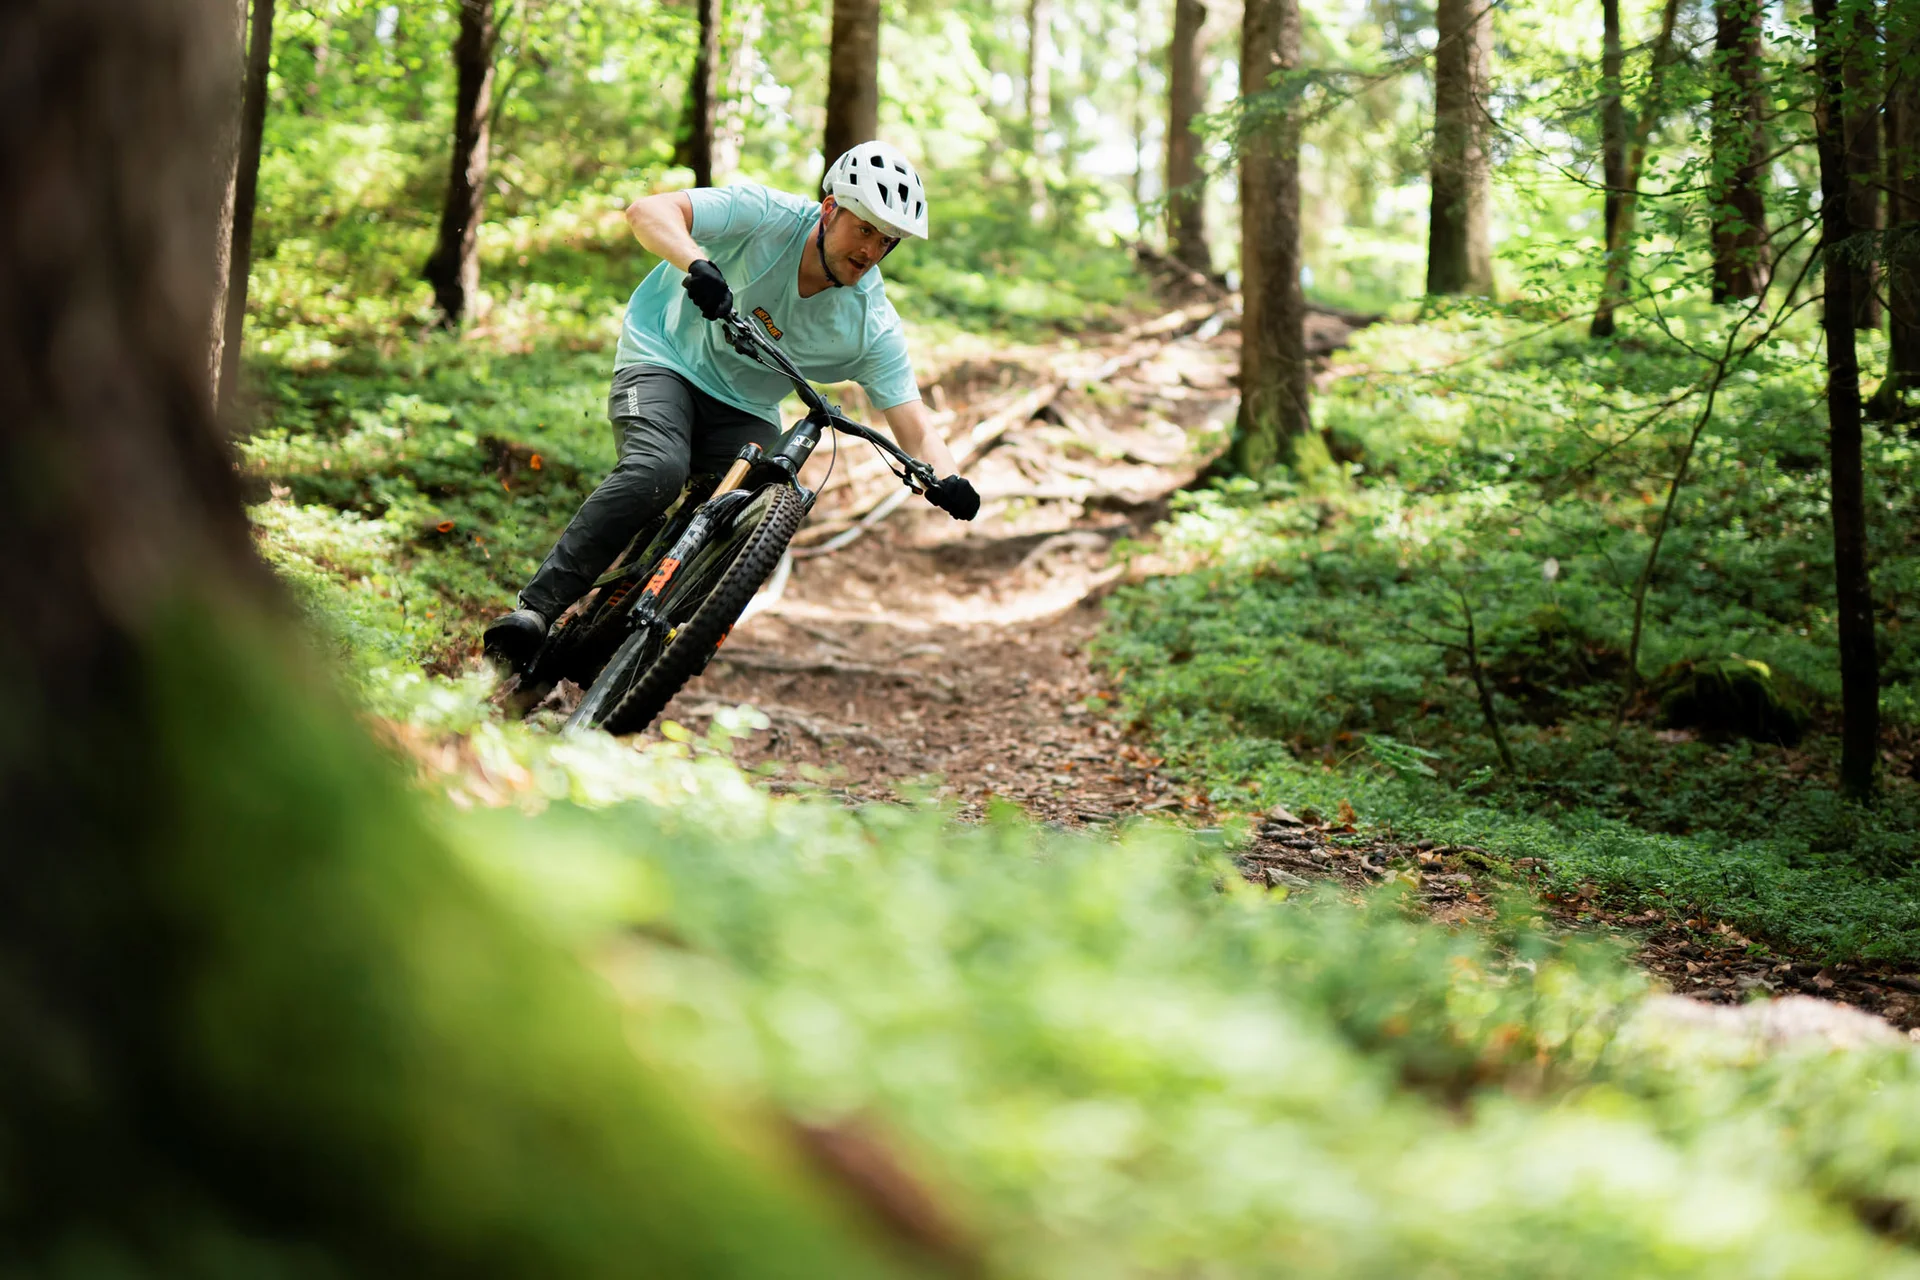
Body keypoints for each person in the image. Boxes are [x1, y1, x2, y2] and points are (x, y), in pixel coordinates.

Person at [483, 140, 979, 672]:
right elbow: (649, 211)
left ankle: (651, 647)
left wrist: (948, 479)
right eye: (864, 230)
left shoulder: (870, 324)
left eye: (886, 241)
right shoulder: (767, 216)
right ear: (830, 209)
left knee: (756, 512)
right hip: (663, 358)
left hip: (746, 408)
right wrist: (697, 264)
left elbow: (915, 425)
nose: (871, 250)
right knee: (656, 471)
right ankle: (537, 610)